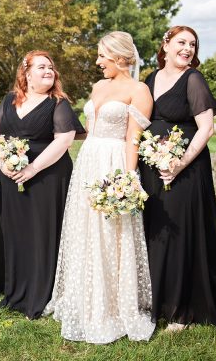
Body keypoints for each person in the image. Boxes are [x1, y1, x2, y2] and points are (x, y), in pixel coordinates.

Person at [44, 31, 156, 344]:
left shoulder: (139, 90)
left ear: (121, 57)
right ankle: (84, 297)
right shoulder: (98, 86)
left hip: (115, 161)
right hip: (89, 161)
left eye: (102, 56)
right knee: (85, 228)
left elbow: (134, 138)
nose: (97, 61)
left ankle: (114, 305)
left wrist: (127, 179)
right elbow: (88, 129)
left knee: (112, 234)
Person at [140, 26, 216, 332]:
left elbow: (207, 128)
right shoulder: (151, 78)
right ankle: (157, 300)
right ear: (166, 44)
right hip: (152, 165)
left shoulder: (193, 79)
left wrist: (180, 163)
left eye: (192, 44)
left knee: (180, 232)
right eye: (181, 43)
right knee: (157, 229)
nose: (187, 49)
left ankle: (182, 308)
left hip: (185, 167)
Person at [0, 50, 85, 319]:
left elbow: (64, 141)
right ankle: (16, 290)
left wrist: (32, 168)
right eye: (42, 67)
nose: (49, 71)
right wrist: (3, 163)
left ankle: (42, 293)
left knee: (43, 233)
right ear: (26, 73)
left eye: (51, 67)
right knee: (16, 232)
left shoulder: (58, 103)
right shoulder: (9, 101)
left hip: (48, 176)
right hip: (11, 176)